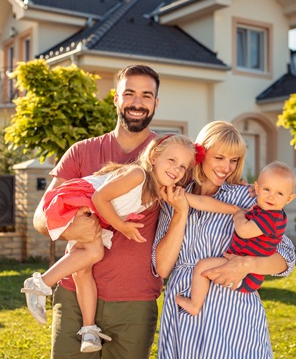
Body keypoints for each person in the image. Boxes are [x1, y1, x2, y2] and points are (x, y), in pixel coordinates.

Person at [23, 133, 237, 353]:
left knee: (83, 269)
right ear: (154, 157)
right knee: (93, 254)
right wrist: (122, 226)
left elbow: (200, 202)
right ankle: (40, 284)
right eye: (171, 161)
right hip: (79, 202)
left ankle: (88, 330)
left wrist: (239, 210)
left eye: (183, 167)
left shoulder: (160, 191)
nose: (176, 169)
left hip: (95, 214)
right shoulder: (137, 175)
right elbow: (99, 198)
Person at [32, 64, 162, 359]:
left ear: (155, 103)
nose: (137, 102)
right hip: (73, 292)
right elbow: (42, 214)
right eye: (129, 93)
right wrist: (71, 230)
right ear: (116, 98)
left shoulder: (166, 155)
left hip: (135, 300)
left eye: (146, 95)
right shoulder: (82, 151)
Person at [152, 121, 296, 359]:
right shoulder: (175, 196)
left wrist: (248, 265)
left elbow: (286, 257)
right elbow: (163, 268)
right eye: (219, 157)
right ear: (201, 153)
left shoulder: (247, 196)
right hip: (183, 307)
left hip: (230, 309)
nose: (227, 167)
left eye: (234, 160)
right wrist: (180, 212)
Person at [175, 161, 296, 315]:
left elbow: (244, 231)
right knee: (206, 270)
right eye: (267, 189)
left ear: (290, 198)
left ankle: (194, 304)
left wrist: (238, 215)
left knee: (202, 267)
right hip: (242, 268)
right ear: (257, 188)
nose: (271, 196)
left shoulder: (272, 217)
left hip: (246, 274)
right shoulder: (264, 210)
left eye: (279, 193)